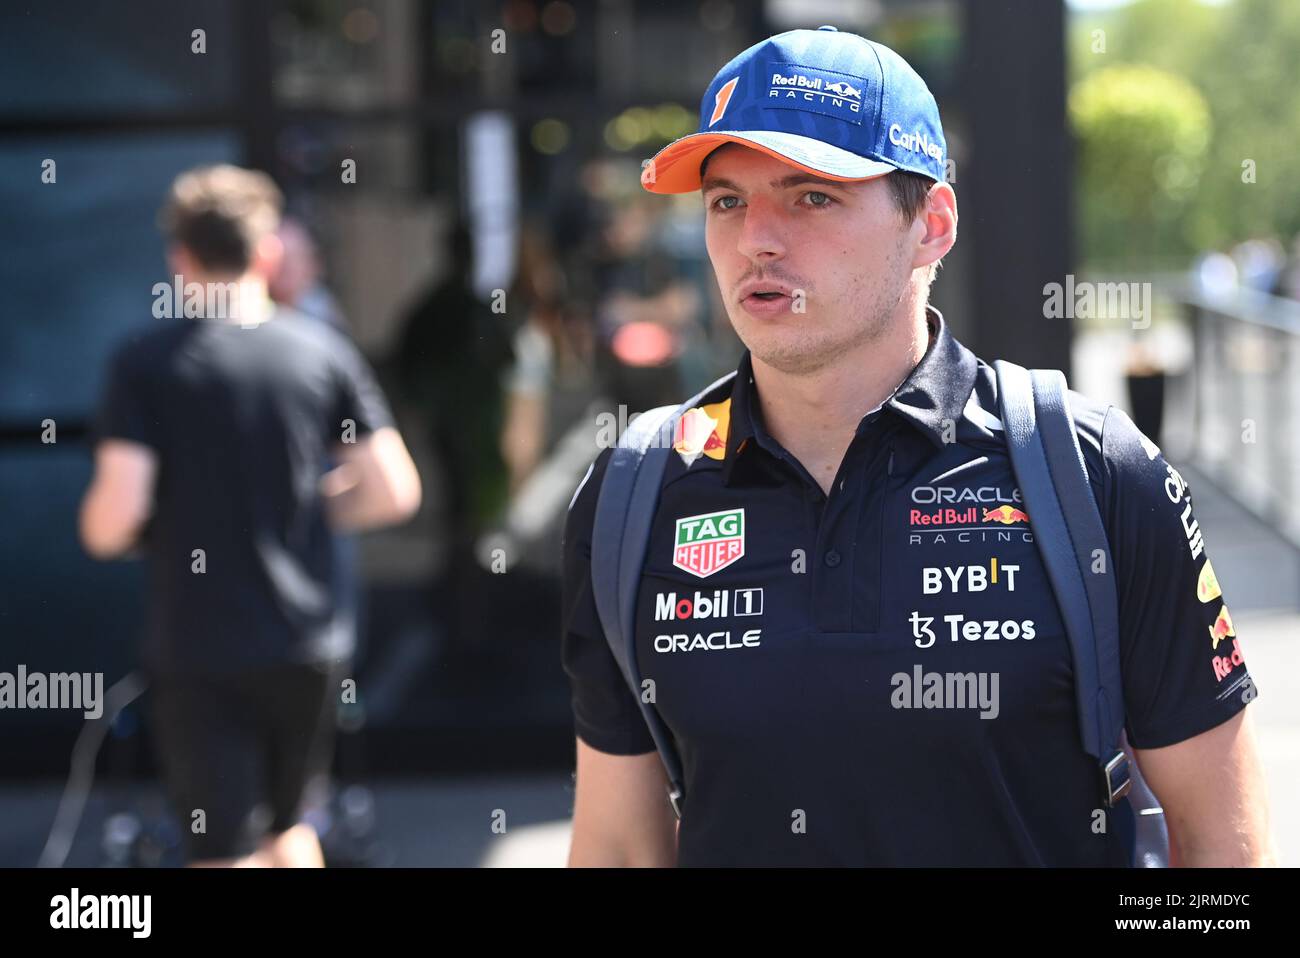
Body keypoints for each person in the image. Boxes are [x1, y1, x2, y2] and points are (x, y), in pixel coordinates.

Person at [562, 27, 1276, 867]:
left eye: (811, 197)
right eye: (726, 201)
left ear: (931, 224)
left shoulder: (1091, 472)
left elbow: (1226, 846)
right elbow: (616, 845)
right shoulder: (636, 491)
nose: (756, 237)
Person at [79, 164, 421, 867]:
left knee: (222, 847)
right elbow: (393, 489)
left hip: (201, 645)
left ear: (180, 259)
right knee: (291, 829)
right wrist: (307, 508)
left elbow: (117, 514)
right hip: (308, 642)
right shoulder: (321, 351)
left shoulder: (147, 364)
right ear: (266, 252)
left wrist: (127, 530)